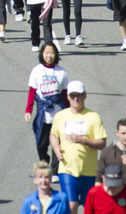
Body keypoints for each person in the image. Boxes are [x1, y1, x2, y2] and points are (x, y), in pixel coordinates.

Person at [49, 81, 107, 214]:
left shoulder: (93, 117)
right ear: (68, 97)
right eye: (73, 95)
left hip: (89, 171)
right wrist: (56, 147)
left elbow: (102, 143)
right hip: (67, 169)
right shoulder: (60, 116)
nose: (76, 99)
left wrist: (83, 140)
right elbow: (53, 135)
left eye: (79, 95)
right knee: (71, 205)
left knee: (89, 208)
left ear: (85, 96)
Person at [26, 43, 69, 173]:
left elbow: (65, 95)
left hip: (58, 114)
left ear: (56, 55)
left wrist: (69, 112)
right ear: (42, 54)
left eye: (51, 53)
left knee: (58, 143)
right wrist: (28, 110)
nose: (49, 56)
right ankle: (44, 163)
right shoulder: (37, 70)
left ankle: (55, 170)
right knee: (41, 143)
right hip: (43, 114)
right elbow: (32, 92)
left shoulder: (61, 72)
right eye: (46, 53)